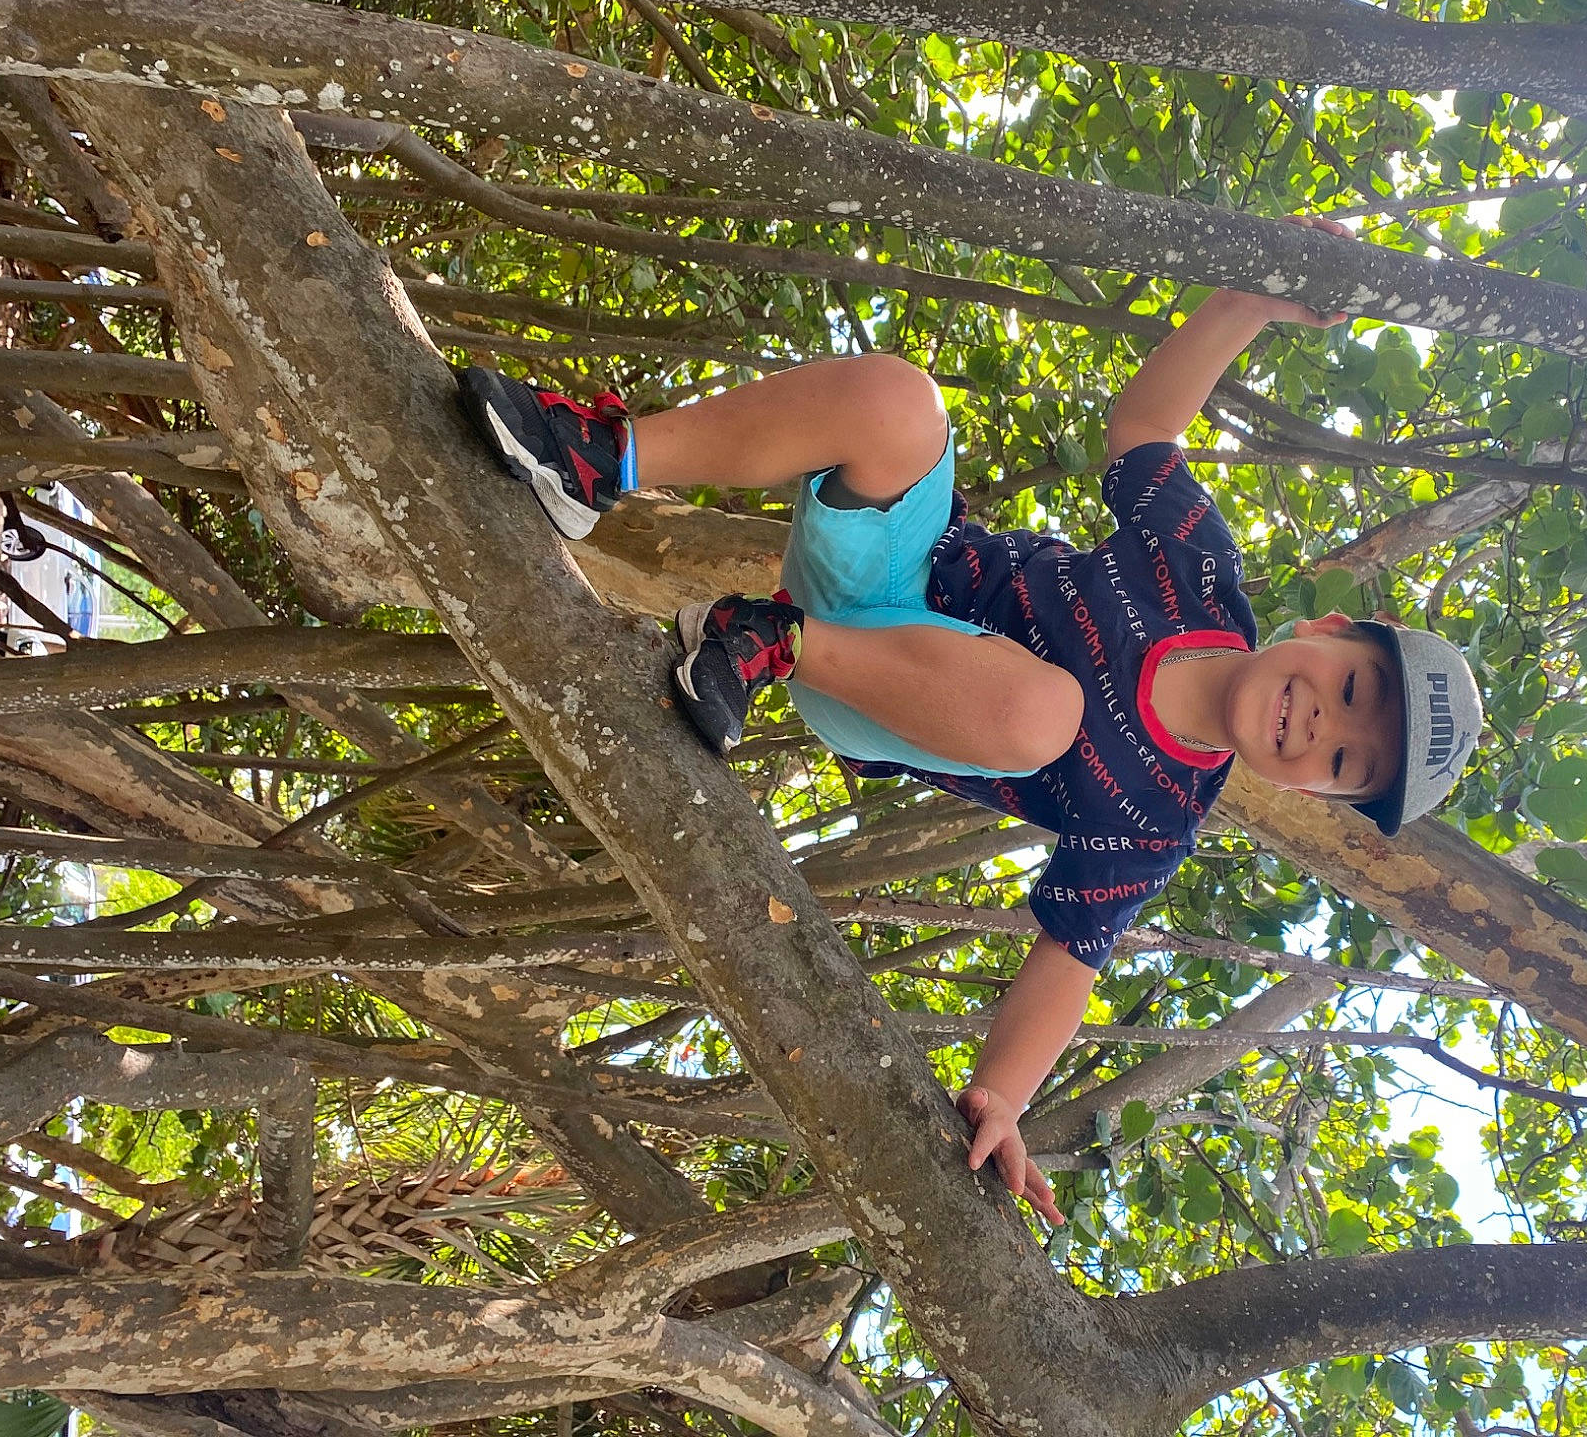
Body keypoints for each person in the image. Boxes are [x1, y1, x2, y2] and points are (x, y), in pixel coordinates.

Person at [457, 216, 1483, 1226]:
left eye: (1344, 761)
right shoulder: (1199, 577)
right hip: (899, 570)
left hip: (859, 689)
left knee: (1044, 713)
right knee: (897, 401)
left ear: (1311, 791)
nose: (1320, 726)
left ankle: (760, 641)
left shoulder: (1156, 816)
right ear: (1330, 627)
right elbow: (1142, 432)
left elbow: (1069, 958)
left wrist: (1005, 1094)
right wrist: (1245, 304)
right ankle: (598, 459)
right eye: (1350, 689)